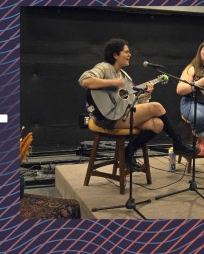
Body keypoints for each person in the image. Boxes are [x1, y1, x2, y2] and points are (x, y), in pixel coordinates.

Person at [79, 38, 197, 172]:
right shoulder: (104, 67)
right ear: (115, 55)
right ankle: (178, 143)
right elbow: (85, 81)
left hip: (121, 114)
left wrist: (146, 94)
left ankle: (128, 152)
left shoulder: (125, 76)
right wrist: (112, 82)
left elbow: (134, 103)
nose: (130, 55)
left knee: (157, 124)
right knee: (157, 107)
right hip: (106, 118)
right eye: (126, 52)